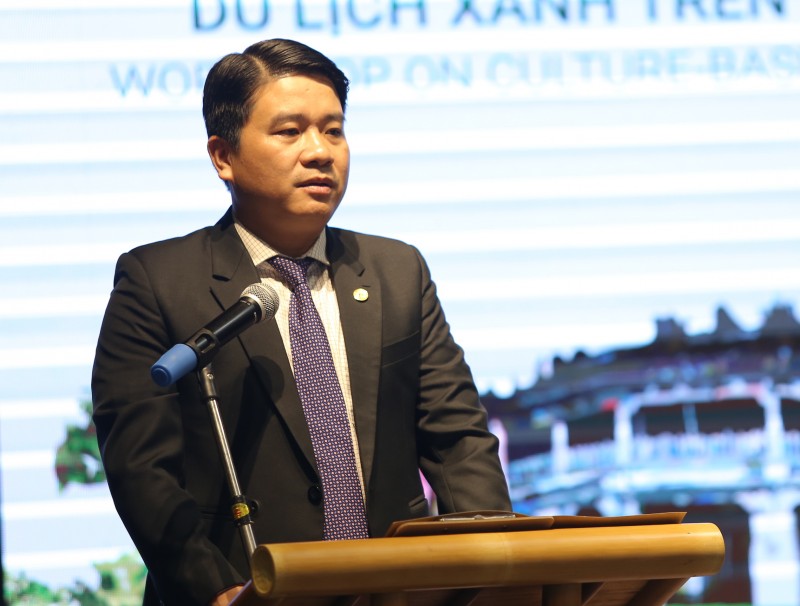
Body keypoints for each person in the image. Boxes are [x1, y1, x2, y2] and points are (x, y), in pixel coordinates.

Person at [91, 38, 511, 606]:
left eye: (333, 130)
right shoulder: (158, 281)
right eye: (290, 132)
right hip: (247, 590)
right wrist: (215, 591)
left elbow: (458, 441)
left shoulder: (396, 269)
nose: (320, 152)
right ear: (222, 155)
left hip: (395, 591)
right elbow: (142, 470)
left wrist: (495, 567)